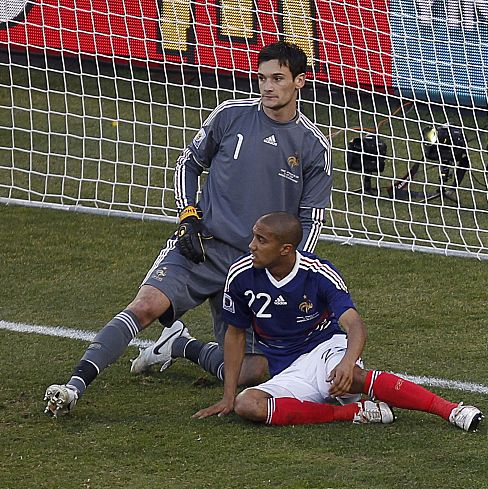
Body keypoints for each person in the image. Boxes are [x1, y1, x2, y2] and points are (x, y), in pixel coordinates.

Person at [44, 41, 332, 417]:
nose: (267, 87)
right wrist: (188, 217)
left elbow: (310, 221)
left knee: (252, 372)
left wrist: (288, 271)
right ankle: (72, 387)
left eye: (278, 78)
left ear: (300, 82)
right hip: (203, 246)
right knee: (145, 306)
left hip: (254, 266)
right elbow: (188, 164)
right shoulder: (230, 115)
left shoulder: (313, 147)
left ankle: (181, 345)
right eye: (262, 78)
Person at [186, 212, 482, 431]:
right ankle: (353, 413)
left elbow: (354, 325)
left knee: (351, 376)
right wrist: (228, 397)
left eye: (261, 240)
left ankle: (451, 410)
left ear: (285, 249)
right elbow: (235, 334)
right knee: (246, 405)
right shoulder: (240, 275)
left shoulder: (317, 273)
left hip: (325, 349)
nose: (251, 245)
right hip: (286, 368)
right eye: (253, 237)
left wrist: (347, 361)